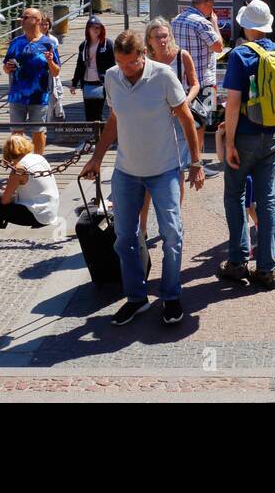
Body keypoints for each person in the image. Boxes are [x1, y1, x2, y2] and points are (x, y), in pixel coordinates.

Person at [79, 29, 203, 326]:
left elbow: (186, 118)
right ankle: (136, 298)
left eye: (131, 64)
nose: (126, 70)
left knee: (172, 235)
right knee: (125, 238)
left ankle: (171, 296)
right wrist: (97, 157)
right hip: (126, 171)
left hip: (164, 170)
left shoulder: (162, 76)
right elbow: (114, 120)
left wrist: (196, 162)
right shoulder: (112, 77)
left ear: (143, 55)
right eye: (121, 64)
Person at [217, 0, 275, 290]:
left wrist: (230, 142)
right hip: (272, 136)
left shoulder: (241, 54)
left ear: (247, 25)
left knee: (234, 196)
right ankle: (266, 268)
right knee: (267, 200)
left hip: (245, 137)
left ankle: (237, 263)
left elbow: (233, 104)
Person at [142, 17, 200, 232]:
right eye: (157, 37)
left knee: (177, 171)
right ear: (149, 39)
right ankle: (143, 224)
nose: (163, 40)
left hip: (178, 119)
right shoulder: (145, 59)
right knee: (148, 171)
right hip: (154, 121)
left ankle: (175, 218)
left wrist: (186, 100)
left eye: (165, 36)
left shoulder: (181, 56)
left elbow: (195, 83)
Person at [171, 0, 224, 154]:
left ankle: (184, 158)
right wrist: (214, 24)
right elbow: (219, 47)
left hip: (180, 81)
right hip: (202, 82)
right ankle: (197, 161)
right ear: (207, 3)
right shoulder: (203, 23)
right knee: (201, 123)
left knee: (184, 122)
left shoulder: (176, 19)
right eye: (212, 3)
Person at [4, 7, 61, 155]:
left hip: (39, 95)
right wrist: (8, 67)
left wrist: (49, 61)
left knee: (39, 132)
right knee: (16, 135)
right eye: (22, 17)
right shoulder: (16, 42)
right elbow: (5, 67)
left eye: (25, 17)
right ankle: (18, 164)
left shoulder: (48, 43)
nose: (21, 20)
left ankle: (38, 164)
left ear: (36, 21)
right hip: (17, 95)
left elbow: (56, 72)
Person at [0, 135, 60, 232]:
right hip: (51, 209)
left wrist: (10, 188)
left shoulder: (19, 168)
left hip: (38, 215)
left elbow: (5, 201)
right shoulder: (39, 157)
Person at [71, 15, 114, 126]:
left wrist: (113, 82)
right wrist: (74, 83)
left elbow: (113, 65)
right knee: (89, 113)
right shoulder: (84, 45)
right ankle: (92, 137)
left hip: (101, 82)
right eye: (93, 27)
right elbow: (79, 65)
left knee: (98, 112)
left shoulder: (107, 44)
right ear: (88, 29)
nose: (96, 30)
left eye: (98, 27)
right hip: (86, 82)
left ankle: (99, 137)